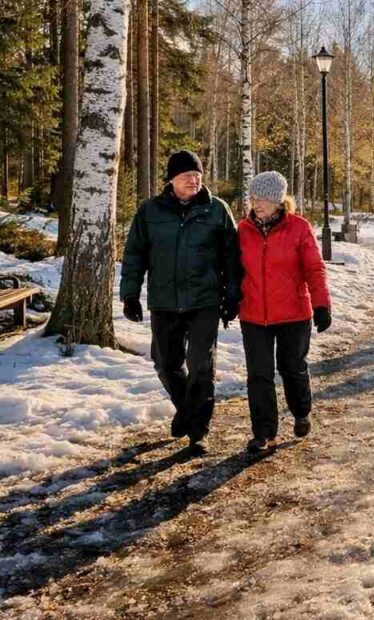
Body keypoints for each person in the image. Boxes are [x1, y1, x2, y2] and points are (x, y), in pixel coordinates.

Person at [120, 150, 241, 455]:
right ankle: (187, 410)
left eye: (198, 176)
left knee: (201, 366)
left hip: (205, 301)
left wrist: (232, 295)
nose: (194, 181)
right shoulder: (150, 211)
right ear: (171, 179)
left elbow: (233, 256)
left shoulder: (217, 209)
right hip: (164, 301)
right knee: (165, 364)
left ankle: (198, 431)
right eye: (187, 175)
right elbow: (134, 254)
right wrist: (129, 294)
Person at [237, 171, 332, 453]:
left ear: (278, 201)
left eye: (262, 199)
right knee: (259, 375)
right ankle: (264, 432)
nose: (256, 204)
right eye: (253, 198)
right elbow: (232, 269)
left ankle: (301, 412)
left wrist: (322, 304)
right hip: (254, 314)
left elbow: (314, 268)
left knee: (292, 368)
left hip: (294, 314)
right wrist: (230, 298)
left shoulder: (299, 228)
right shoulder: (243, 229)